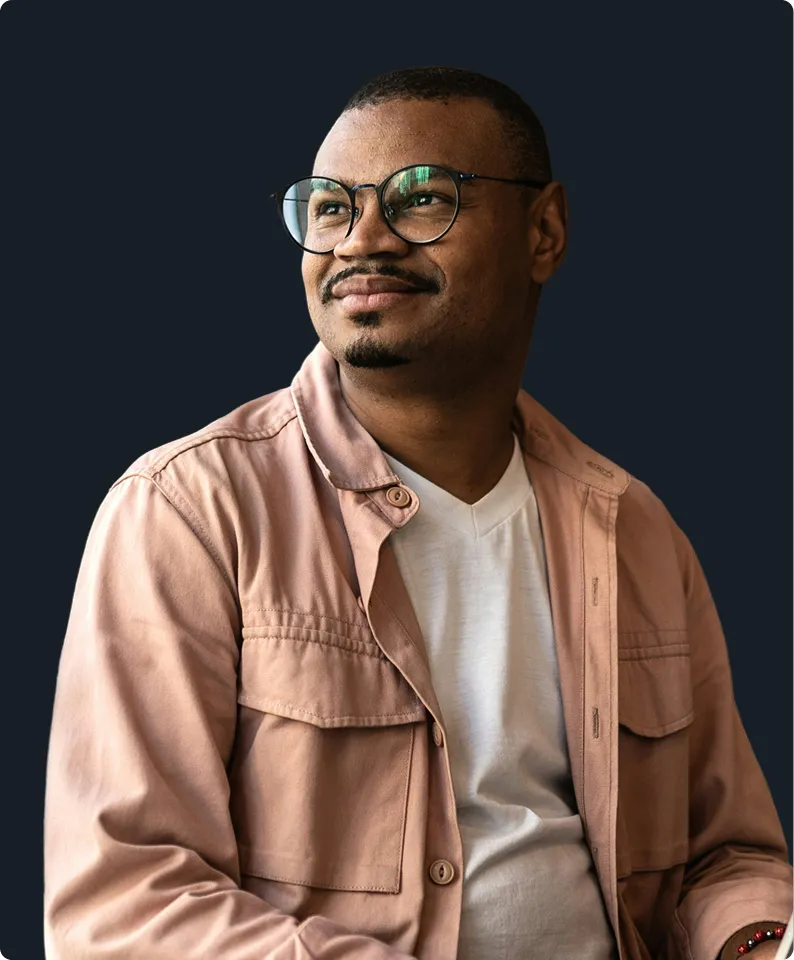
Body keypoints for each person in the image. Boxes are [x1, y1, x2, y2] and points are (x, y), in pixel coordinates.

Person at [43, 65, 792, 960]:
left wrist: (759, 942)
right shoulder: (189, 512)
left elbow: (726, 859)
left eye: (421, 198)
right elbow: (122, 906)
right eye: (331, 207)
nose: (362, 240)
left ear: (544, 231)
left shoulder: (635, 530)